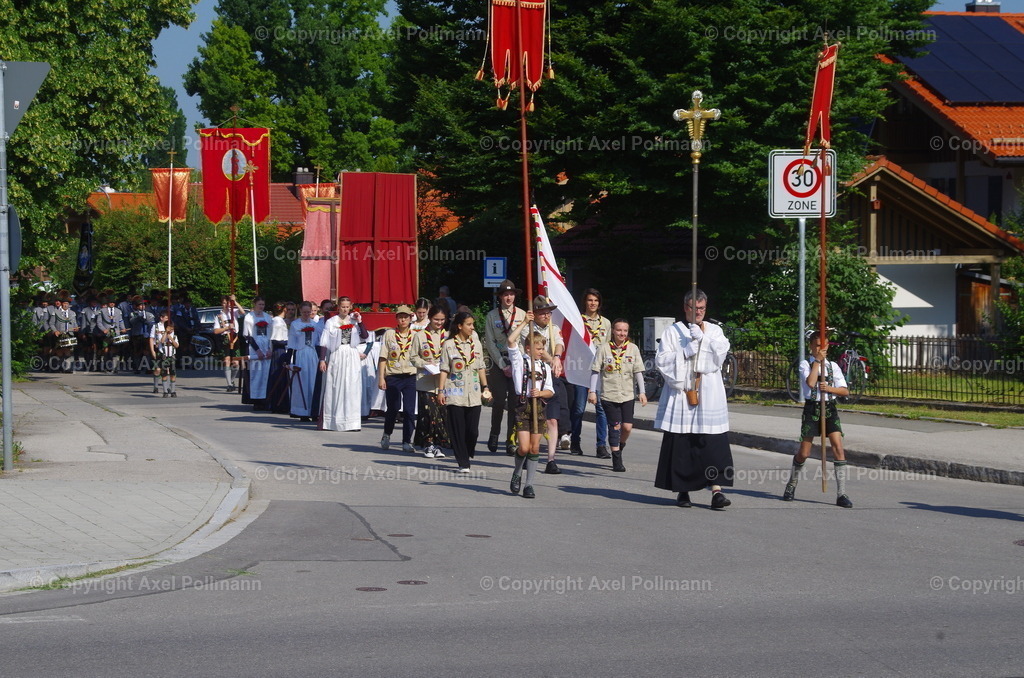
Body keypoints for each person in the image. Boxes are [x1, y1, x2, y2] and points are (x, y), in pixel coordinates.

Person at [653, 289, 734, 510]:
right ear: (685, 308)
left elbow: (720, 355)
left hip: (709, 392)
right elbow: (662, 361)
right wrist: (686, 351)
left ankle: (717, 491)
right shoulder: (674, 331)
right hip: (683, 393)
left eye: (701, 308)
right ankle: (683, 491)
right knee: (683, 443)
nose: (698, 312)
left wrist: (704, 340)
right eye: (693, 308)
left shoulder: (714, 330)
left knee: (712, 443)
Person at [782, 331, 853, 508]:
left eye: (824, 345)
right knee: (804, 452)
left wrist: (830, 388)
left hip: (829, 408)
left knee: (838, 446)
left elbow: (844, 391)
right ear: (811, 347)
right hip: (812, 408)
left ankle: (841, 493)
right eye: (817, 345)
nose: (821, 349)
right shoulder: (805, 364)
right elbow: (811, 383)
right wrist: (816, 363)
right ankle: (791, 484)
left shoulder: (833, 366)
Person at [588, 319, 647, 472]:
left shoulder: (633, 349)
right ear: (613, 331)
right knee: (615, 426)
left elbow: (638, 371)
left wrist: (642, 392)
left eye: (625, 331)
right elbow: (595, 371)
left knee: (627, 427)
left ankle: (619, 446)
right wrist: (592, 391)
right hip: (609, 395)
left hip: (627, 394)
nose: (622, 333)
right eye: (619, 330)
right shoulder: (604, 349)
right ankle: (616, 459)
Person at [506, 312, 554, 499]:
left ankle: (529, 485)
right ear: (527, 349)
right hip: (523, 406)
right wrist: (525, 322)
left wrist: (541, 393)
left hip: (539, 408)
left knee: (535, 449)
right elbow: (511, 340)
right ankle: (517, 472)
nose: (541, 351)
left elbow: (550, 391)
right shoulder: (519, 361)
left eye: (543, 348)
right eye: (538, 348)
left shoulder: (545, 367)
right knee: (524, 448)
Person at [438, 311, 491, 472]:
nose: (472, 327)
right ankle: (463, 461)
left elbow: (481, 366)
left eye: (472, 324)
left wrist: (486, 387)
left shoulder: (476, 344)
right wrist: (441, 391)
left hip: (473, 393)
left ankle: (467, 452)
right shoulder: (448, 345)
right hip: (455, 392)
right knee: (457, 429)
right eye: (469, 324)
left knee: (472, 431)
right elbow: (444, 369)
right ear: (459, 326)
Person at [524, 295, 569, 474]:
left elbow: (559, 344)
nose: (547, 316)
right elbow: (535, 353)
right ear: (535, 313)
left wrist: (557, 357)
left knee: (552, 419)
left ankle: (551, 459)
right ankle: (530, 452)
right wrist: (552, 359)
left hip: (550, 378)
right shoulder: (528, 329)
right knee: (532, 419)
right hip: (533, 377)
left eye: (549, 313)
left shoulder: (554, 328)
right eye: (543, 313)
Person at [483, 279, 526, 455]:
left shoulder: (523, 315)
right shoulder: (492, 316)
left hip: (517, 362)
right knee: (499, 401)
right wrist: (502, 364)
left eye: (511, 294)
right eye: (505, 294)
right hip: (498, 362)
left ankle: (511, 440)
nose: (508, 297)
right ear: (500, 297)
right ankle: (494, 434)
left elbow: (525, 341)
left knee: (516, 403)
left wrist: (519, 363)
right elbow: (490, 342)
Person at [571, 288, 611, 458]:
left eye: (595, 300)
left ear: (599, 303)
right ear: (584, 302)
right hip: (581, 369)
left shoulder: (606, 323)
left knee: (601, 409)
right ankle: (575, 441)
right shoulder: (577, 321)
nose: (592, 303)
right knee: (579, 409)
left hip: (599, 371)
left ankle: (601, 445)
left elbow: (609, 347)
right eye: (589, 300)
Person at [318, 297, 368, 431]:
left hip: (351, 354)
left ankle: (352, 422)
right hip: (337, 354)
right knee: (336, 385)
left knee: (351, 386)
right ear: (338, 307)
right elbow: (324, 341)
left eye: (347, 306)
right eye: (342, 306)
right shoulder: (331, 321)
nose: (345, 309)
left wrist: (360, 322)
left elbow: (364, 336)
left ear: (350, 307)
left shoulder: (354, 320)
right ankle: (334, 421)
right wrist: (322, 359)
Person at [410, 305, 450, 458]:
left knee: (440, 414)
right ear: (429, 318)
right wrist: (426, 364)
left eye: (442, 320)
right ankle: (428, 443)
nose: (439, 323)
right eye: (436, 319)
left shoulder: (448, 335)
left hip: (443, 382)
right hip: (425, 380)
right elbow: (413, 357)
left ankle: (439, 445)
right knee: (428, 413)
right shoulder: (420, 336)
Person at [378, 305, 418, 452]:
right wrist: (381, 378)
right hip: (393, 375)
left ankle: (407, 441)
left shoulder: (415, 336)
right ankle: (387, 434)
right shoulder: (389, 334)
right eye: (400, 317)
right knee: (393, 408)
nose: (403, 319)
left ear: (410, 318)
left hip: (410, 376)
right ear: (396, 318)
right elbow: (383, 357)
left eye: (406, 317)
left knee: (409, 410)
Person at [287, 301, 322, 422]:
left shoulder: (315, 324)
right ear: (300, 311)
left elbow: (318, 342)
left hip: (312, 354)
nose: (307, 314)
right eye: (304, 312)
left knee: (312, 381)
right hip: (301, 354)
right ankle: (302, 411)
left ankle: (313, 410)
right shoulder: (295, 324)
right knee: (302, 381)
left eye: (309, 312)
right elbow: (291, 343)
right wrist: (288, 359)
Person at [243, 297, 273, 411]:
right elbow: (248, 335)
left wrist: (270, 348)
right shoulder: (249, 317)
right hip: (255, 347)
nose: (261, 306)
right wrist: (257, 350)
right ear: (254, 304)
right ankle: (256, 400)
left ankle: (265, 399)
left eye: (263, 304)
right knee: (256, 374)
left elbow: (271, 334)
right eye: (259, 304)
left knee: (265, 373)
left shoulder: (267, 317)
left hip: (266, 345)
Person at [214, 294, 245, 392]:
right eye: (223, 303)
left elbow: (243, 312)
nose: (225, 305)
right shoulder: (219, 316)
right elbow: (215, 331)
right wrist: (227, 327)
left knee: (236, 363)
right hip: (225, 338)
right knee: (227, 361)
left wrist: (234, 301)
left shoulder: (234, 312)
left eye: (227, 303)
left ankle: (232, 380)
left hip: (235, 338)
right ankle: (229, 384)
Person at [267, 301, 291, 413]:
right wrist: (288, 342)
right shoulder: (277, 322)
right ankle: (278, 404)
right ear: (285, 309)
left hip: (281, 349)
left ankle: (281, 403)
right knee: (278, 376)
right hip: (279, 351)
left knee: (281, 377)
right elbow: (275, 340)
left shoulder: (279, 321)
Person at [152, 321, 179, 397]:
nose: (171, 331)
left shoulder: (174, 336)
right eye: (170, 329)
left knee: (172, 374)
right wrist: (166, 333)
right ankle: (165, 391)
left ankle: (173, 391)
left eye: (172, 329)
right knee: (164, 374)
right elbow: (162, 341)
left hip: (172, 357)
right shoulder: (162, 335)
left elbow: (176, 345)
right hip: (164, 357)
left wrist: (171, 338)